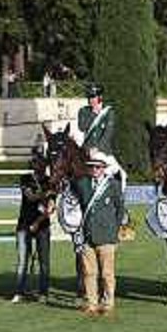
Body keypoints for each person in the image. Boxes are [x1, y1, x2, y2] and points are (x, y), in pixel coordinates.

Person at [72, 152, 124, 316]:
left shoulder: (113, 185)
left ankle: (108, 303)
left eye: (98, 167)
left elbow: (120, 209)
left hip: (107, 235)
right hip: (87, 235)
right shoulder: (82, 184)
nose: (94, 169)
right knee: (89, 272)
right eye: (91, 167)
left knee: (107, 273)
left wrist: (114, 229)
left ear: (103, 169)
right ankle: (92, 303)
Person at [12, 147, 56, 304]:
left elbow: (50, 208)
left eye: (41, 162)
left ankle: (43, 293)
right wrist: (46, 194)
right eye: (36, 162)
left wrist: (37, 223)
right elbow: (30, 197)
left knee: (44, 262)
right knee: (22, 260)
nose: (38, 165)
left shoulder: (51, 181)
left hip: (42, 226)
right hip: (24, 225)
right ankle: (19, 292)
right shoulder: (25, 178)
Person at [77, 83, 126, 190]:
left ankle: (118, 199)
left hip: (104, 151)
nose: (91, 100)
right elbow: (81, 127)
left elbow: (108, 133)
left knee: (122, 174)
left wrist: (98, 148)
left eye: (93, 97)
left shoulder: (109, 112)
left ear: (100, 97)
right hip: (87, 149)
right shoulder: (84, 111)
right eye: (89, 97)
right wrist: (93, 113)